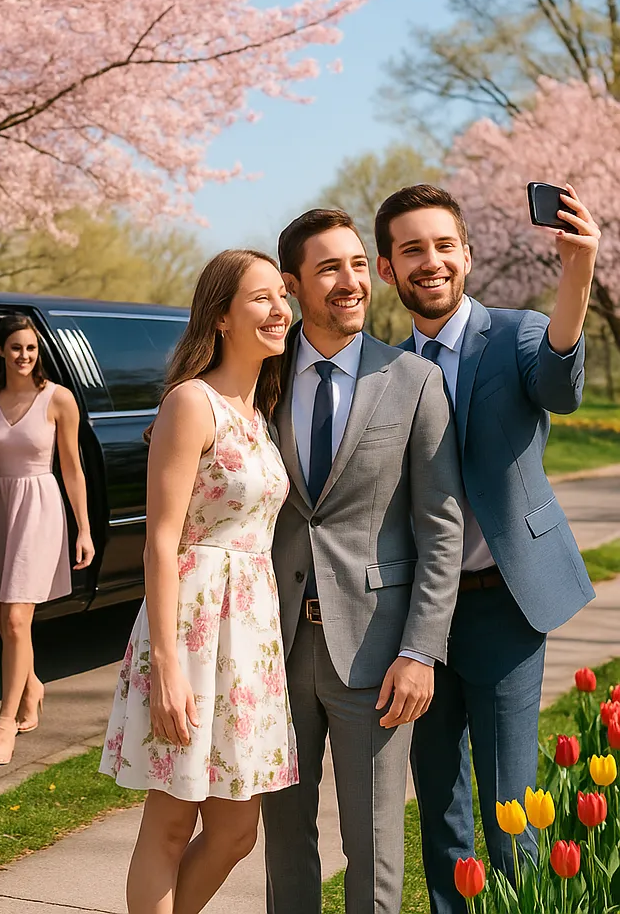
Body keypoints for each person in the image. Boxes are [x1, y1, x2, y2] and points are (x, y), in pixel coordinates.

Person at [374, 183, 600, 914]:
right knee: (439, 807)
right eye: (412, 250)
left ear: (467, 254)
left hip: (507, 605)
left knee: (510, 809)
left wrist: (578, 272)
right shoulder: (381, 371)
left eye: (443, 245)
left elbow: (560, 385)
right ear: (388, 269)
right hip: (420, 621)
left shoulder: (518, 333)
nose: (430, 261)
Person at [262, 209, 464, 914]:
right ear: (291, 285)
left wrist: (420, 650)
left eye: (356, 264)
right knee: (284, 843)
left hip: (377, 653)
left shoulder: (412, 380)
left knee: (374, 848)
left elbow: (441, 528)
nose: (351, 281)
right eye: (329, 268)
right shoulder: (258, 380)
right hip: (274, 649)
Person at [101, 249, 299, 914]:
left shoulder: (258, 413)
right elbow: (159, 538)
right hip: (192, 627)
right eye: (261, 298)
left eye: (282, 297)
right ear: (220, 317)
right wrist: (166, 667)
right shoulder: (192, 402)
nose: (280, 310)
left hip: (248, 640)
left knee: (237, 829)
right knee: (170, 820)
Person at [0, 313, 94, 767]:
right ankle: (32, 685)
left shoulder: (57, 399)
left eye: (32, 349)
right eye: (17, 347)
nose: (24, 356)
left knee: (19, 620)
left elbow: (72, 469)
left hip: (41, 509)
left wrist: (83, 529)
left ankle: (4, 726)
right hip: (2, 512)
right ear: (1, 350)